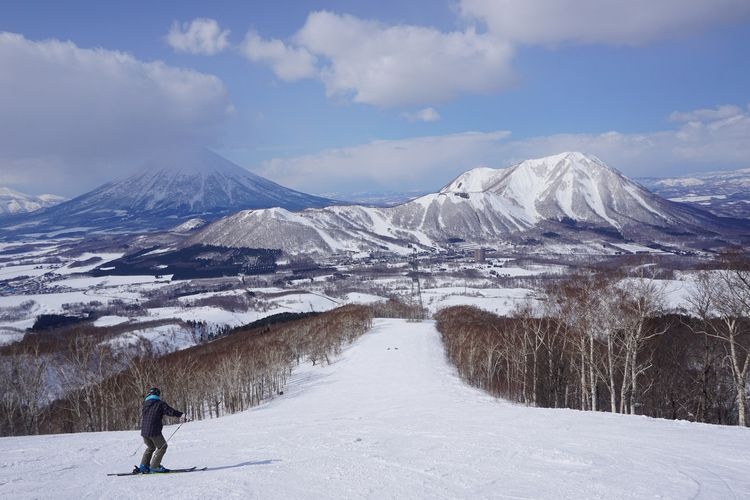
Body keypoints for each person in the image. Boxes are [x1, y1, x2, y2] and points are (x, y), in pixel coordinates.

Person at [138, 387, 189, 473]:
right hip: (154, 431)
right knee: (162, 446)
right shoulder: (159, 404)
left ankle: (144, 466)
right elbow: (170, 411)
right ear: (158, 395)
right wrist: (182, 415)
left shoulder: (145, 404)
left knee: (150, 447)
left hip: (144, 432)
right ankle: (155, 466)